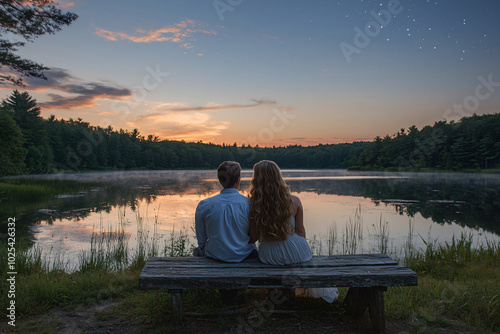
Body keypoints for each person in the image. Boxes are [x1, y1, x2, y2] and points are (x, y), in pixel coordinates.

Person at [248, 160, 338, 303]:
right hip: (296, 251)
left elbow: (254, 237)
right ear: (279, 177)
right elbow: (301, 232)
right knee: (297, 251)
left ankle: (275, 294)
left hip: (270, 256)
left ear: (256, 179)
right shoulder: (294, 201)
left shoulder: (253, 204)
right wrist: (298, 248)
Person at [194, 161, 257, 262]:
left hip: (214, 256)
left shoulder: (205, 205)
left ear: (220, 180)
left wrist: (202, 248)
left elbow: (201, 239)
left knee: (196, 252)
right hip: (245, 255)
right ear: (238, 180)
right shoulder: (249, 204)